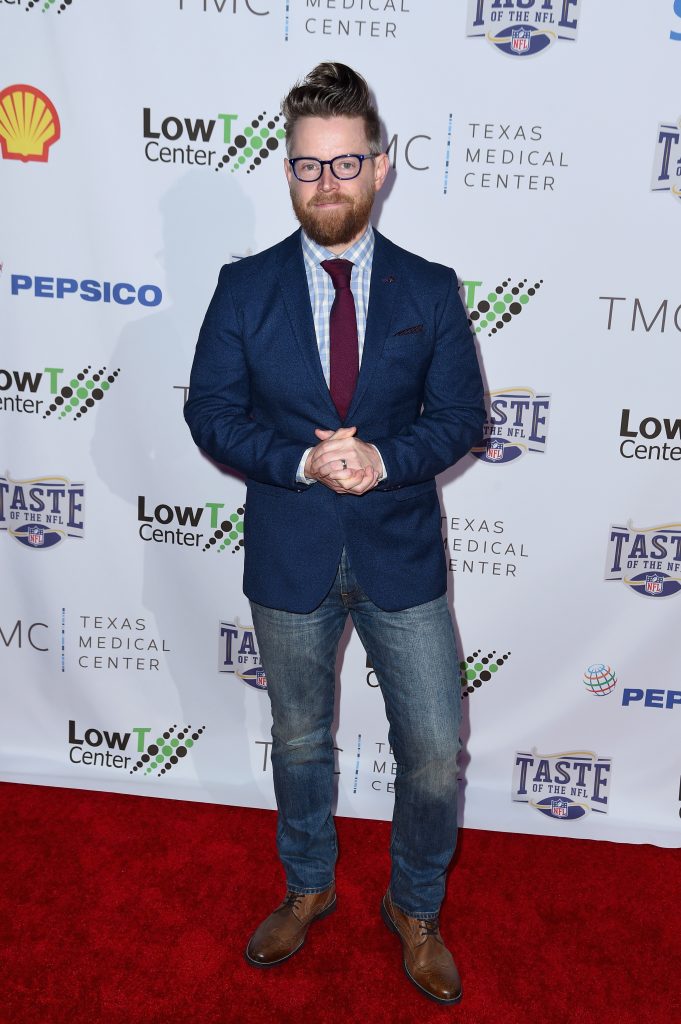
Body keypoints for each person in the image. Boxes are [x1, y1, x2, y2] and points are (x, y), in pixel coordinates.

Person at [184, 62, 484, 1005]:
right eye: (309, 167)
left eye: (345, 164)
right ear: (286, 173)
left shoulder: (430, 290)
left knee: (434, 750)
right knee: (302, 740)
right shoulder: (243, 288)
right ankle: (308, 884)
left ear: (381, 166)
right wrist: (303, 462)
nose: (328, 184)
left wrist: (384, 460)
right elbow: (213, 414)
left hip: (401, 552)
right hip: (290, 548)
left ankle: (415, 907)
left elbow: (462, 415)